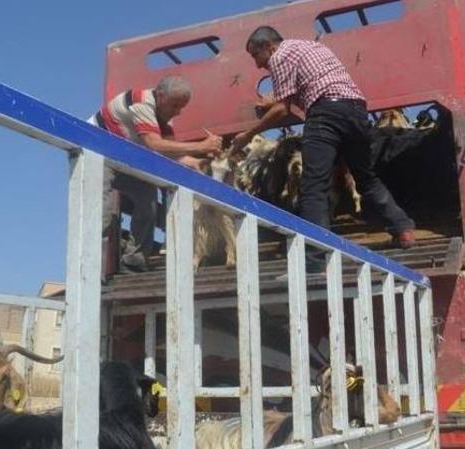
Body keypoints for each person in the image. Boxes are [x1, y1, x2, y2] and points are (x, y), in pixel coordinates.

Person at [231, 26, 416, 274]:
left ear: (269, 46)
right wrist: (276, 101)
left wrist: (248, 135)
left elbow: (282, 110)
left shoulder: (280, 56)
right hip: (356, 112)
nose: (257, 65)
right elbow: (308, 90)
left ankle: (316, 258)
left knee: (313, 186)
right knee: (366, 178)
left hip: (325, 116)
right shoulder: (312, 47)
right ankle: (402, 227)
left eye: (256, 56)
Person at [90, 75, 222, 273]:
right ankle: (91, 272)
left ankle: (134, 261)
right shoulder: (141, 103)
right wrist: (201, 146)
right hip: (97, 151)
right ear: (160, 96)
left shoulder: (164, 121)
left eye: (181, 107)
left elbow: (168, 155)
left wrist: (196, 162)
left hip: (124, 159)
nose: (177, 112)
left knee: (148, 201)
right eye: (175, 105)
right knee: (103, 214)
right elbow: (154, 143)